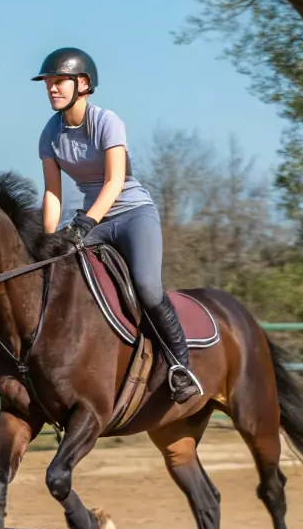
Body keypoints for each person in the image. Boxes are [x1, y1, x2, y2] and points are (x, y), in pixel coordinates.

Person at [33, 47, 203, 403]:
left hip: (132, 215)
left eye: (58, 81)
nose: (51, 88)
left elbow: (114, 182)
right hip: (93, 220)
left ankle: (180, 365)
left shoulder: (107, 121)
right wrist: (45, 241)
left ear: (83, 84)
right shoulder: (50, 133)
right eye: (48, 82)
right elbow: (52, 192)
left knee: (148, 286)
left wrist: (85, 223)